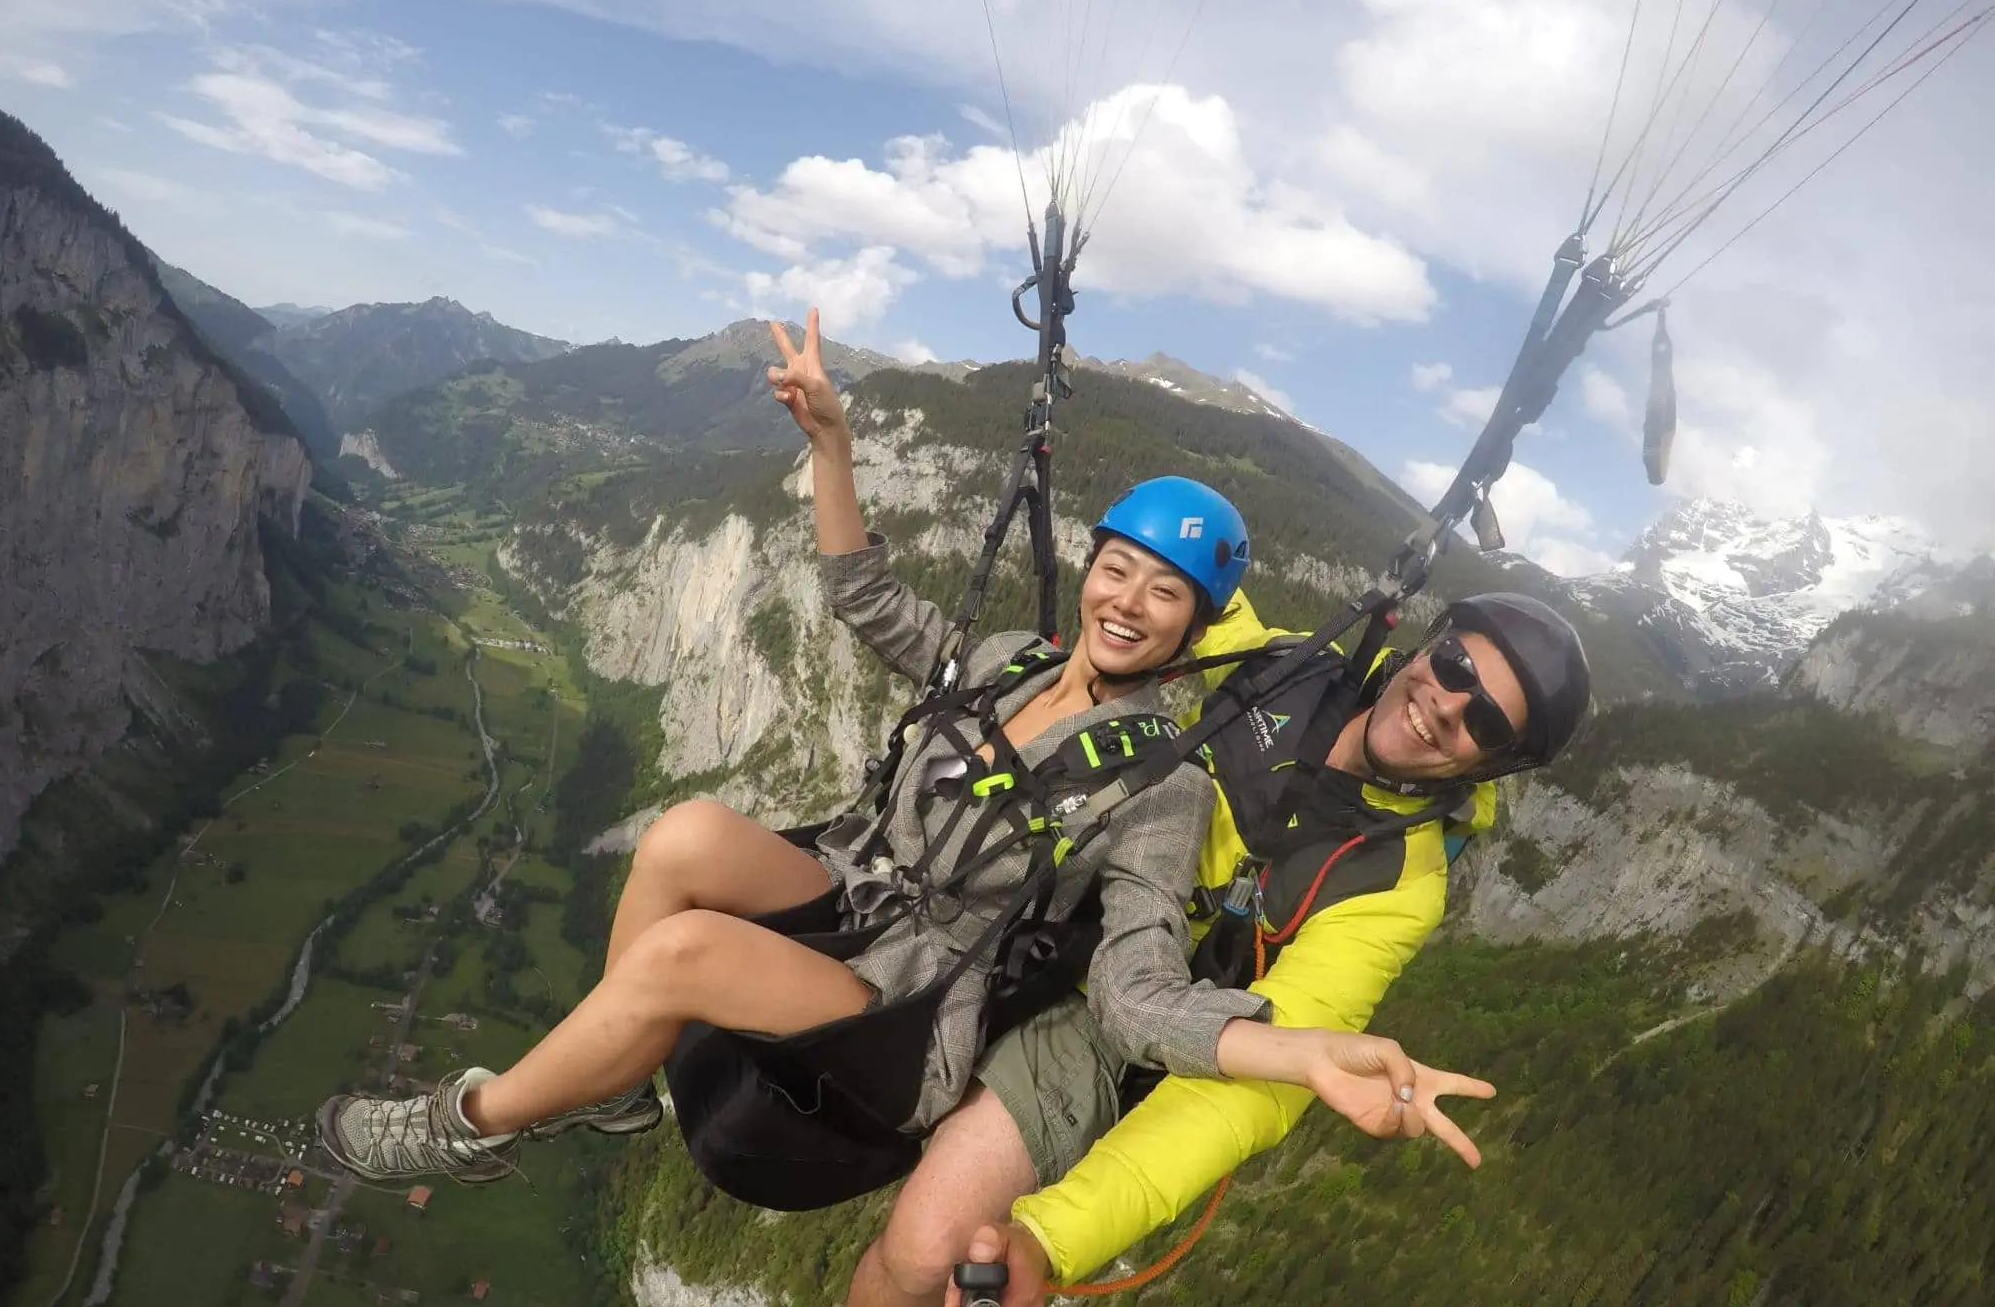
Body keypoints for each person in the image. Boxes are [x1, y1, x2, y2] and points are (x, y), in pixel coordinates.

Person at [311, 311, 1469, 1219]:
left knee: (683, 952)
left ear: (1192, 625)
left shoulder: (1158, 786)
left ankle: (473, 1124)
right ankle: (613, 1086)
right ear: (1090, 572)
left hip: (906, 1006)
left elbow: (1134, 992)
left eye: (1166, 592)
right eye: (1118, 569)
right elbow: (869, 603)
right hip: (854, 896)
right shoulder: (1015, 661)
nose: (1128, 602)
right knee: (684, 837)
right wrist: (831, 443)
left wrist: (1292, 1049)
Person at [744, 588, 1588, 1307]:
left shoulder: (1396, 882)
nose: (1444, 703)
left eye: (1484, 719)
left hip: (1124, 1013)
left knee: (925, 1246)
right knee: (736, 929)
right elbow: (1158, 586)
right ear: (1431, 643)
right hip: (1043, 876)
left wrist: (1047, 1239)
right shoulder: (1282, 661)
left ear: (1494, 764)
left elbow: (1242, 1102)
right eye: (1454, 665)